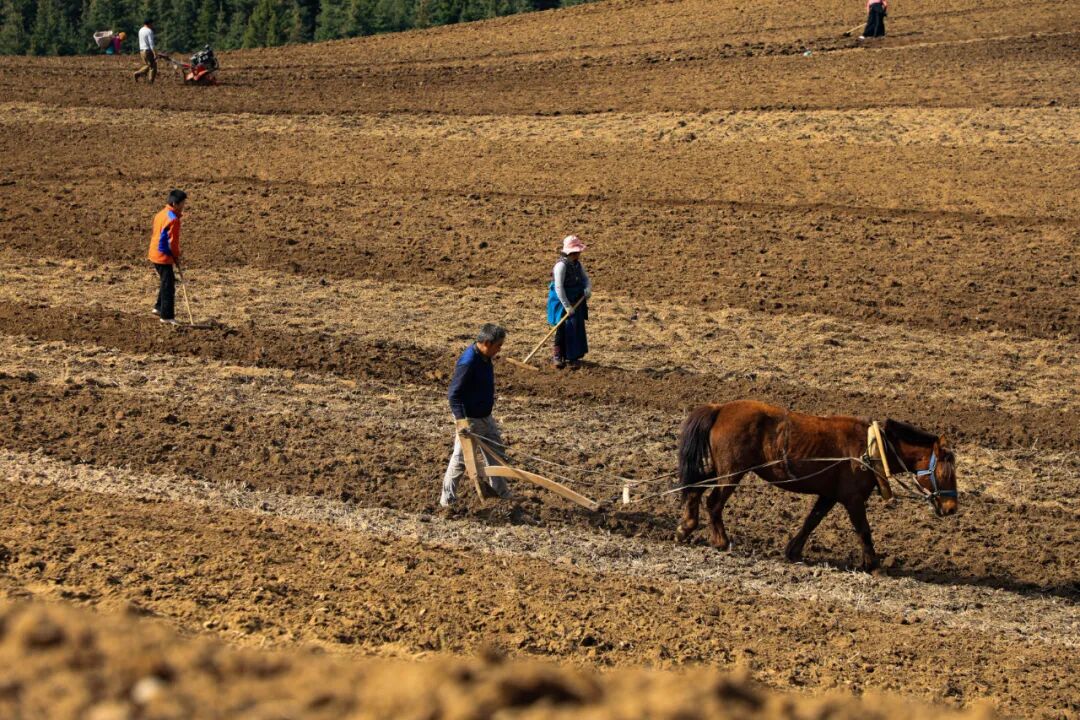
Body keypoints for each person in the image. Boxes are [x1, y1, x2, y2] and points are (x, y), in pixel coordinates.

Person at [440, 324, 512, 507]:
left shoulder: (485, 358)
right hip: (470, 419)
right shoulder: (469, 362)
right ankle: (447, 501)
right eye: (498, 346)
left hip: (486, 417)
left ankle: (502, 496)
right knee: (460, 460)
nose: (500, 350)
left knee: (496, 455)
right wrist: (461, 421)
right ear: (487, 343)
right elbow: (454, 394)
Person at [547, 235, 592, 369]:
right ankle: (558, 356)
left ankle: (572, 357)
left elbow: (586, 279)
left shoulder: (577, 264)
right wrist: (566, 306)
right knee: (562, 327)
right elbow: (559, 287)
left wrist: (588, 289)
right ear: (572, 252)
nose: (579, 254)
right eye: (578, 251)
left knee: (575, 326)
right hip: (561, 300)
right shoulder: (561, 266)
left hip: (576, 299)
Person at [147, 189, 186, 325]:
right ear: (175, 204)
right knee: (169, 285)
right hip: (162, 255)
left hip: (154, 252)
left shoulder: (161, 214)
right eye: (182, 204)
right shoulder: (173, 220)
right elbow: (172, 242)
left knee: (166, 281)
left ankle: (158, 307)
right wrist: (176, 256)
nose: (183, 206)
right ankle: (167, 316)